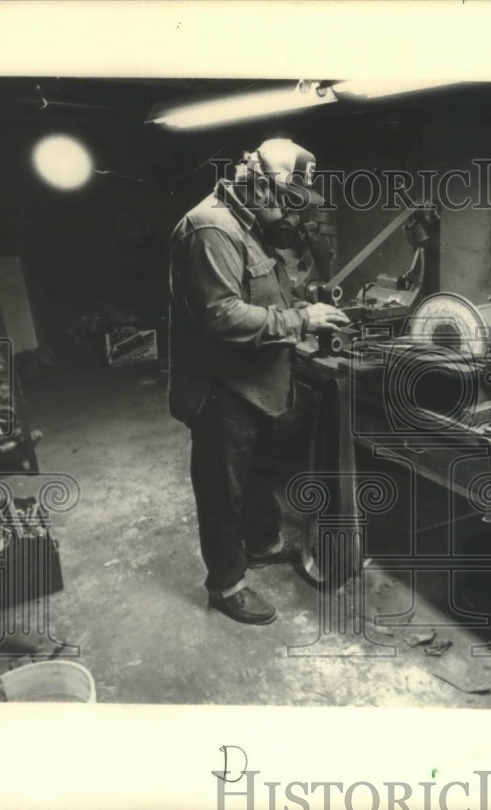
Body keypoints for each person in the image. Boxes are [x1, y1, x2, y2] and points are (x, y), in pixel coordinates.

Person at [168, 138, 349, 624]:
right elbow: (221, 315)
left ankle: (263, 543)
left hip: (258, 384)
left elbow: (268, 286)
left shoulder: (252, 225)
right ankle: (226, 585)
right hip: (220, 387)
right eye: (283, 199)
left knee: (256, 472)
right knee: (221, 489)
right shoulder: (211, 229)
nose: (286, 213)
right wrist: (301, 321)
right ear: (254, 179)